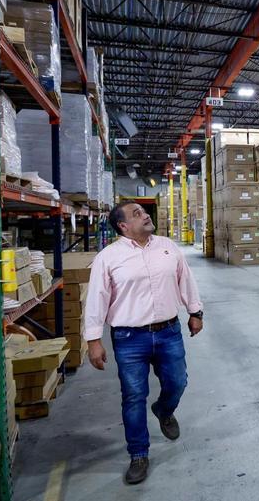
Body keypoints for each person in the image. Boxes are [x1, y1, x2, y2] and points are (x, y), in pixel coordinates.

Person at [84, 200, 204, 485]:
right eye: (136, 214)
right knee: (133, 396)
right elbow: (96, 299)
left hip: (168, 332)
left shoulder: (167, 246)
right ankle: (138, 454)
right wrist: (93, 340)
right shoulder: (108, 257)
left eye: (144, 211)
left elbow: (185, 279)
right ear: (123, 226)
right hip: (129, 338)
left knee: (178, 382)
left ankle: (163, 410)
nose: (145, 215)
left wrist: (195, 311)